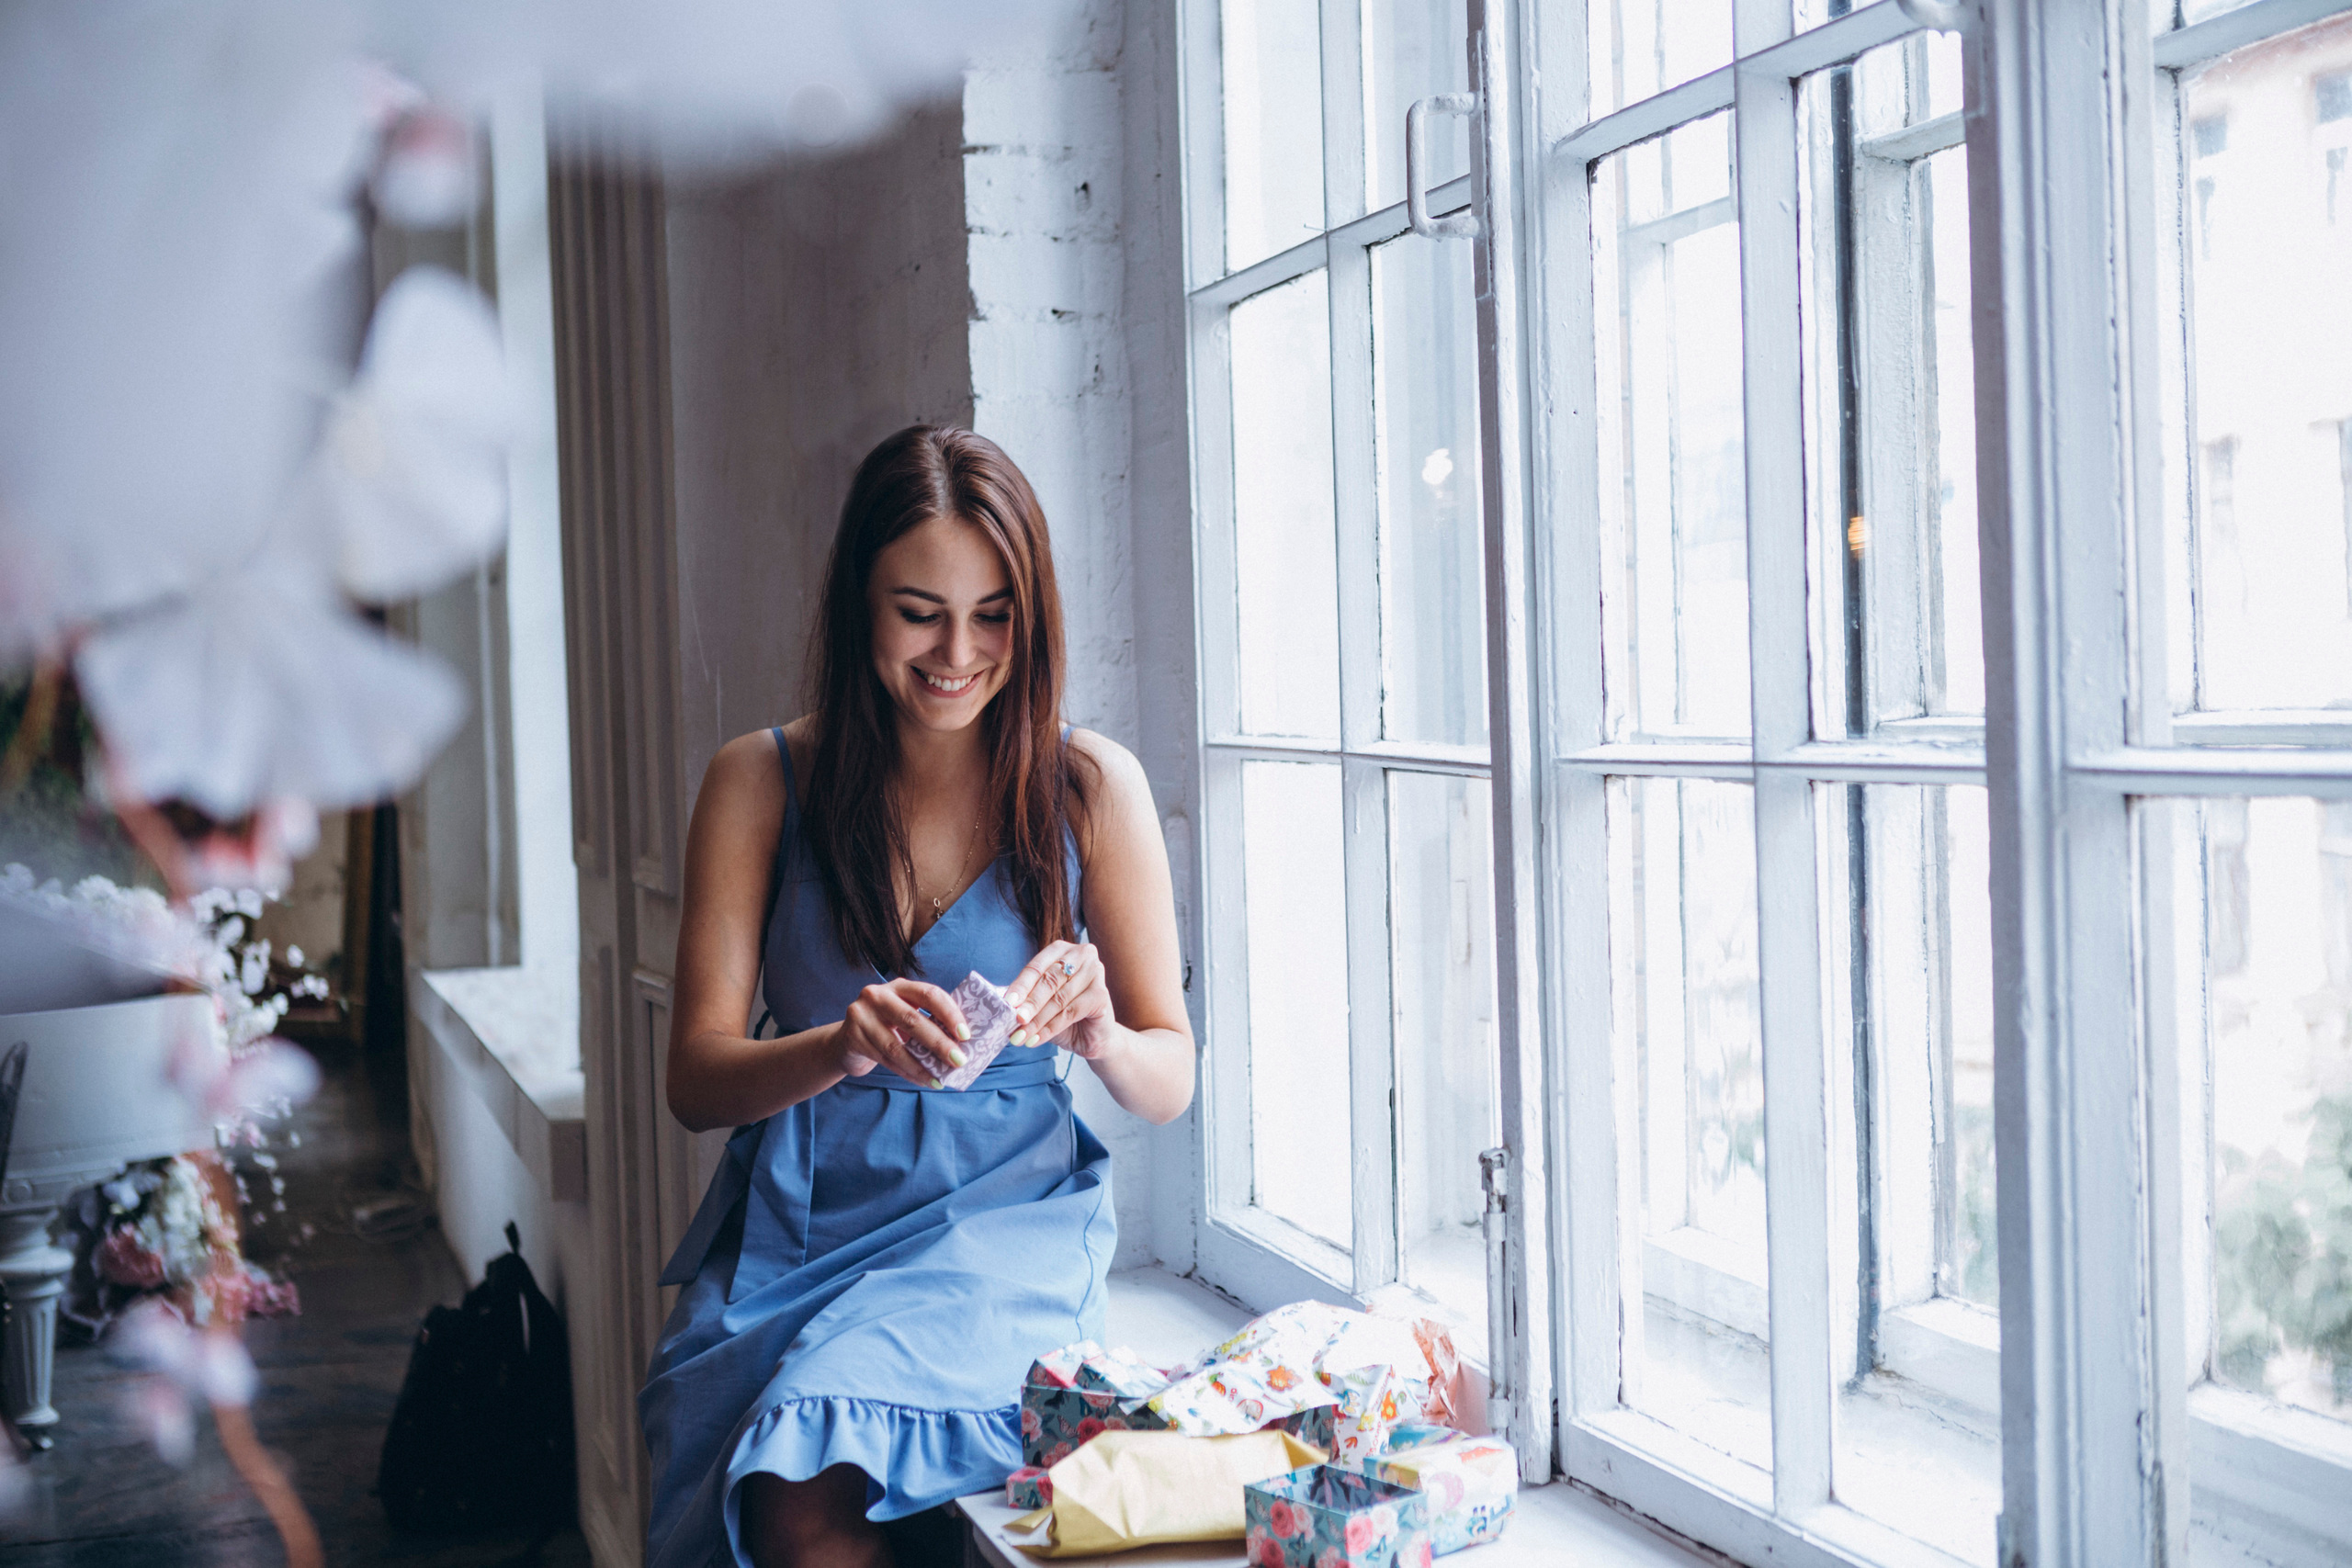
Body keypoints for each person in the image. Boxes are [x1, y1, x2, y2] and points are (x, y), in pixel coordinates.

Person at [639, 425, 1196, 1568]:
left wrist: (1098, 1031)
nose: (958, 651)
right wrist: (840, 1046)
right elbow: (694, 1082)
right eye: (919, 610)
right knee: (760, 1480)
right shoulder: (760, 781)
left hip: (1003, 1220)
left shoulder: (1091, 786)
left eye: (993, 612)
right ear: (858, 603)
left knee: (806, 1494)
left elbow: (1168, 1078)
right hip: (800, 1223)